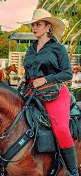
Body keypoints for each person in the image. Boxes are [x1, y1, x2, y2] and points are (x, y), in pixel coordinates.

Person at [18, 9, 78, 175]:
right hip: (32, 92)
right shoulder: (30, 49)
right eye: (33, 25)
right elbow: (30, 71)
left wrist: (46, 79)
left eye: (38, 24)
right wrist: (25, 78)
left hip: (55, 93)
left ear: (48, 27)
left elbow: (67, 73)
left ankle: (73, 172)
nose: (34, 27)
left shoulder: (58, 48)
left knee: (61, 130)